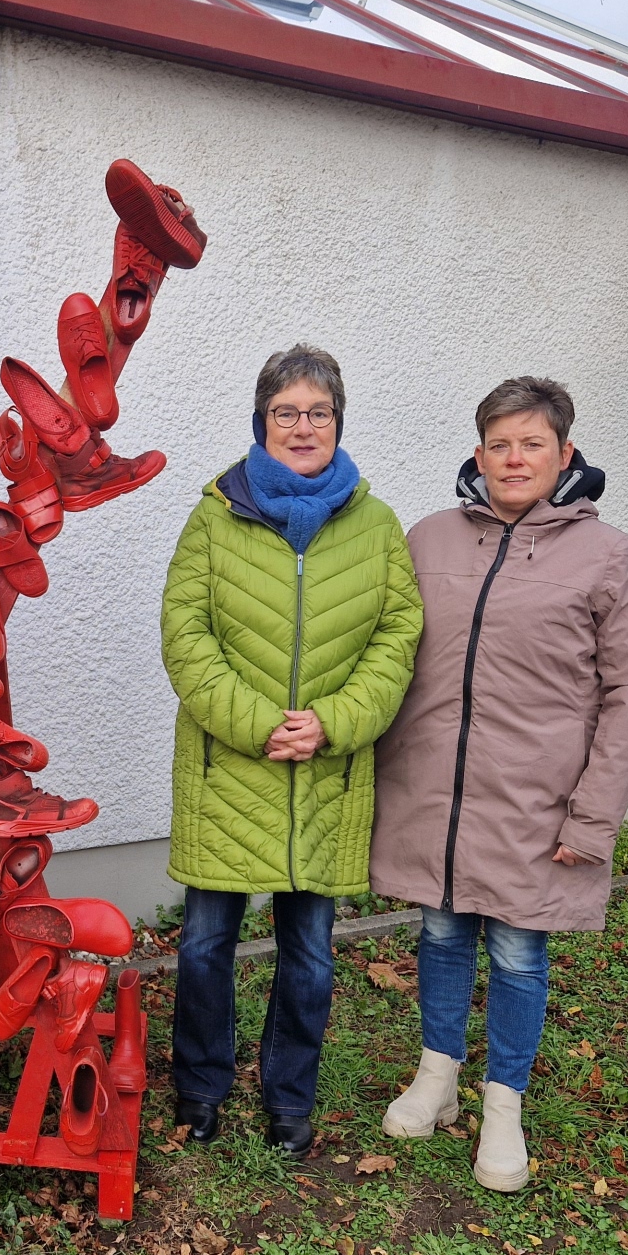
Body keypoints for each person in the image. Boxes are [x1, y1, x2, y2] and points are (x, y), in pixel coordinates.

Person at [371, 376, 628, 1192]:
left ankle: (504, 1102)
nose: (514, 458)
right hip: (436, 791)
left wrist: (594, 815)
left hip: (540, 802)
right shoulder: (428, 538)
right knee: (439, 931)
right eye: (499, 443)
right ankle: (438, 1075)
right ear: (478, 453)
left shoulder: (607, 555)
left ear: (564, 454)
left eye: (532, 444)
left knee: (517, 946)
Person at [159, 344, 423, 1156]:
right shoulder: (215, 514)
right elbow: (185, 633)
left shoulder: (375, 526)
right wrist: (256, 721)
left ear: (337, 423)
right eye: (286, 412)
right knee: (205, 947)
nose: (302, 426)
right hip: (229, 770)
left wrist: (334, 720)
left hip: (325, 777)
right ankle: (200, 1089)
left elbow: (397, 636)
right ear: (261, 423)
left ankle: (289, 1100)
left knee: (308, 955)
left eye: (318, 412)